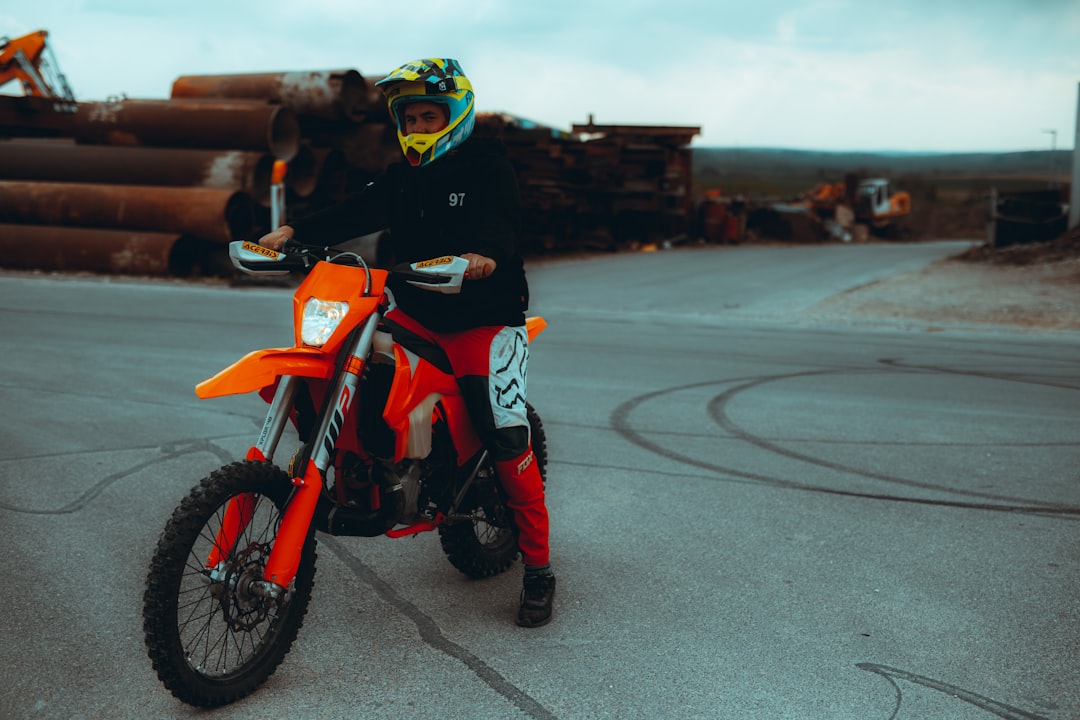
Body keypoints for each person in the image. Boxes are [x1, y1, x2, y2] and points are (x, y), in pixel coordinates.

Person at [257, 58, 556, 628]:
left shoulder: (489, 165)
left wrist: (484, 256)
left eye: (429, 114)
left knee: (504, 433)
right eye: (411, 117)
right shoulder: (404, 176)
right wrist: (296, 231)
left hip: (482, 321)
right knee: (347, 364)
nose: (419, 125)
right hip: (413, 312)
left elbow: (501, 221)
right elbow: (355, 211)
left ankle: (539, 570)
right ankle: (358, 468)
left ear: (455, 113)